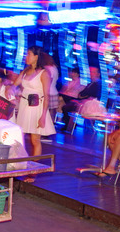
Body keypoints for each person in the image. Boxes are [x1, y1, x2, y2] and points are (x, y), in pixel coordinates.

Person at [13, 46, 56, 182]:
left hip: (37, 107)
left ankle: (33, 172)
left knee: (35, 140)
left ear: (36, 56)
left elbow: (46, 95)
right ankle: (19, 164)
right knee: (20, 136)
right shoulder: (26, 70)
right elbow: (15, 84)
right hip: (25, 106)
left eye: (29, 54)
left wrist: (43, 115)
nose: (27, 56)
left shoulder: (44, 73)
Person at [60, 66, 102, 131]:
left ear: (98, 74)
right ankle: (69, 125)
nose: (90, 73)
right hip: (84, 101)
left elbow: (91, 94)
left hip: (90, 104)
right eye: (90, 72)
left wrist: (83, 96)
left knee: (66, 107)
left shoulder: (98, 84)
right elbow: (83, 92)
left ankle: (69, 125)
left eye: (92, 72)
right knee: (66, 104)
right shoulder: (90, 83)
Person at [42, 53, 59, 122]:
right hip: (54, 91)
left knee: (47, 111)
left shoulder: (47, 68)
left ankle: (47, 126)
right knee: (52, 111)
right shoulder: (54, 67)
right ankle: (51, 126)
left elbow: (49, 81)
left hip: (48, 91)